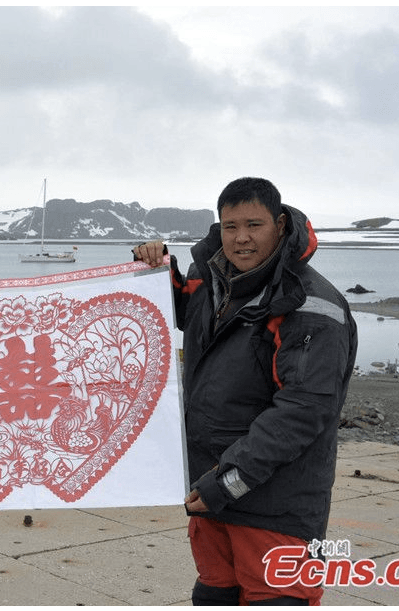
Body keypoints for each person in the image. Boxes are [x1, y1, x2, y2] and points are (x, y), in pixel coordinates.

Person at [133, 177, 357, 605]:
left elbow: (303, 411)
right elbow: (179, 313)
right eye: (230, 226)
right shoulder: (210, 281)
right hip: (211, 495)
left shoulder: (309, 305)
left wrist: (228, 480)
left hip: (274, 506)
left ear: (280, 223)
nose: (241, 238)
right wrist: (158, 271)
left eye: (254, 225)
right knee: (215, 595)